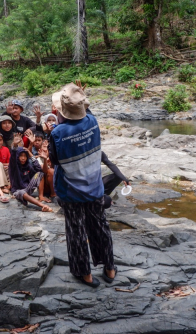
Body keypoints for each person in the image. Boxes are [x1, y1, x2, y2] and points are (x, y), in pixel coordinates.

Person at [48, 83, 116, 288]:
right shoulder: (92, 121)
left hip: (70, 191)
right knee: (100, 225)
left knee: (76, 230)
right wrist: (80, 95)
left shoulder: (58, 132)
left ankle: (84, 273)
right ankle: (110, 268)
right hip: (95, 186)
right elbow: (86, 110)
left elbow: (54, 161)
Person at [8, 134, 52, 212]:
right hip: (18, 191)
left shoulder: (27, 165)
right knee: (21, 192)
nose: (23, 158)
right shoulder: (14, 166)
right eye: (21, 156)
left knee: (40, 174)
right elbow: (13, 157)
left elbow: (38, 169)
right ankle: (42, 205)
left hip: (28, 188)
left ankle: (41, 196)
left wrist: (30, 154)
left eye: (25, 156)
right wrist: (15, 145)